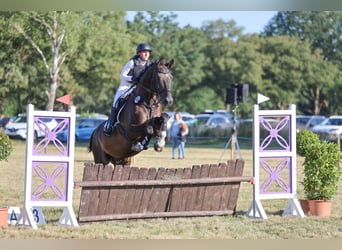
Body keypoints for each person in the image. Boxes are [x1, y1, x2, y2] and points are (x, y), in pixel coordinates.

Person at [103, 43, 152, 137]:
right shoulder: (132, 62)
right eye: (144, 52)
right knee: (116, 101)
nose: (146, 54)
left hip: (139, 88)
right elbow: (122, 75)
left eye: (148, 52)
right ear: (139, 53)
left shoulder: (149, 64)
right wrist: (132, 78)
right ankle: (110, 124)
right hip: (126, 86)